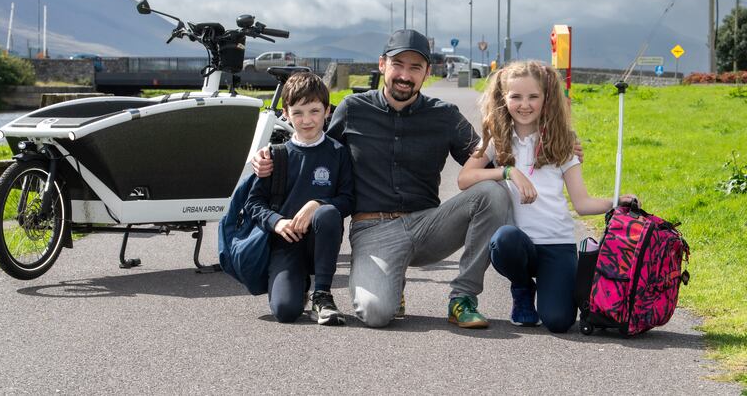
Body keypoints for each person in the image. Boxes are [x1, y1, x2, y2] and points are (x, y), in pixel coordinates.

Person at [254, 29, 510, 329]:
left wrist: (547, 151)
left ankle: (462, 297)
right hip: (373, 228)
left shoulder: (445, 116)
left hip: (428, 225)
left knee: (493, 193)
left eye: (415, 67)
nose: (405, 74)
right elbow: (318, 151)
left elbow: (487, 160)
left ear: (428, 72)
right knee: (376, 314)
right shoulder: (352, 110)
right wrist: (271, 156)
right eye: (398, 65)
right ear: (381, 65)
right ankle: (391, 282)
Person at [457, 60, 634, 333]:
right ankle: (523, 286)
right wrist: (507, 172)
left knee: (559, 321)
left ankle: (549, 287)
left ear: (546, 99)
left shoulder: (562, 143)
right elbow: (464, 179)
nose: (524, 105)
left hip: (557, 244)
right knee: (504, 240)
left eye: (533, 97)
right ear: (503, 98)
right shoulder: (496, 139)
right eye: (515, 96)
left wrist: (616, 201)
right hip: (520, 243)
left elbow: (582, 204)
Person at [245, 72, 354, 326]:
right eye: (298, 112)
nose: (307, 120)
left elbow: (349, 199)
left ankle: (323, 294)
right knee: (285, 311)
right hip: (286, 242)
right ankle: (299, 284)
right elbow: (253, 203)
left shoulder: (338, 153)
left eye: (315, 111)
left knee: (327, 213)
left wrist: (319, 204)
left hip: (320, 239)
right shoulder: (275, 155)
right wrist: (276, 222)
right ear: (286, 113)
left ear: (327, 111)